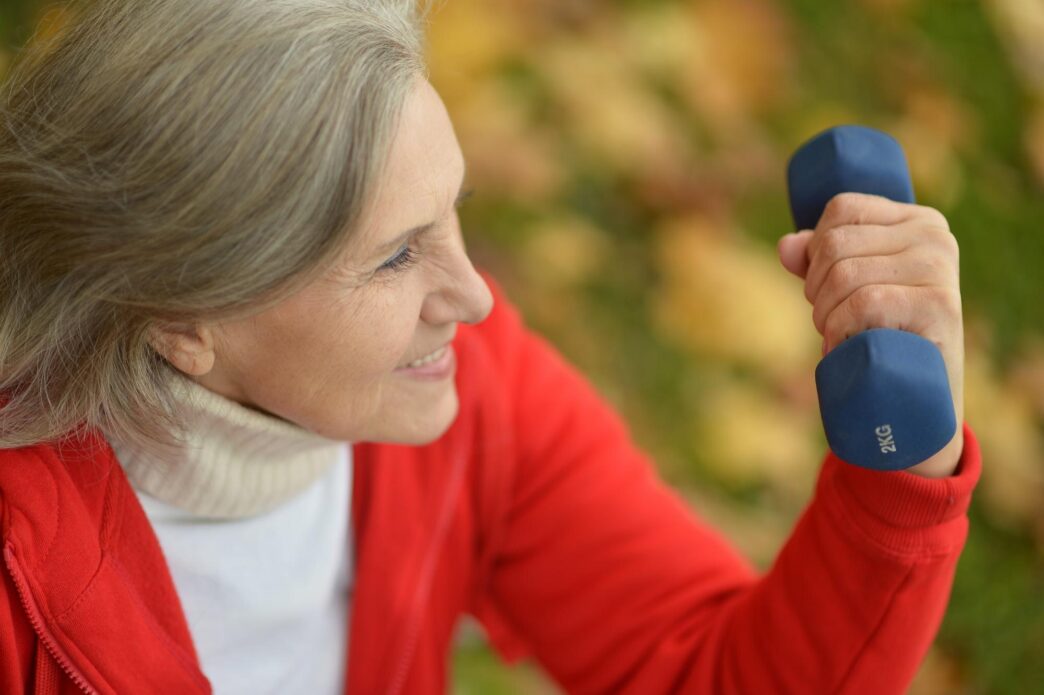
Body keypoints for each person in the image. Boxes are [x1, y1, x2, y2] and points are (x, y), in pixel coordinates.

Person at [0, 1, 980, 693]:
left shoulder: (471, 389)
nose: (471, 297)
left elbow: (713, 673)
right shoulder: (20, 573)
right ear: (182, 319)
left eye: (452, 211)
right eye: (394, 257)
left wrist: (903, 467)